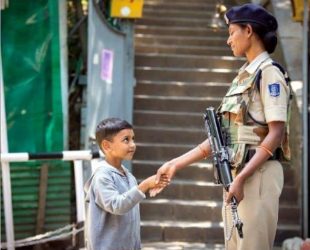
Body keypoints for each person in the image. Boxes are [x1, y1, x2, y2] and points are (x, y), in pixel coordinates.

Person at [151, 3, 292, 250]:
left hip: (256, 175)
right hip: (237, 176)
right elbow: (222, 137)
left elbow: (276, 133)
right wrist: (175, 164)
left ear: (248, 30)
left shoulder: (269, 74)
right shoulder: (244, 75)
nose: (228, 40)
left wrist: (242, 178)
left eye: (231, 32)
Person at [84, 117, 169, 250]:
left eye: (133, 139)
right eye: (126, 140)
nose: (132, 145)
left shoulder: (129, 176)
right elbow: (117, 205)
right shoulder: (102, 176)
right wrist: (144, 185)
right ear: (107, 146)